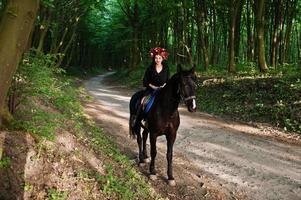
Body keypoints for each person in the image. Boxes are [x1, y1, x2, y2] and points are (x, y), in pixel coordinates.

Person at [132, 47, 170, 127]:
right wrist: (153, 87)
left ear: (163, 58)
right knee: (143, 102)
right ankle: (141, 118)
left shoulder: (166, 68)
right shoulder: (150, 68)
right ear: (154, 58)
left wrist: (164, 85)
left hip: (163, 90)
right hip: (151, 90)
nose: (158, 60)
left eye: (159, 58)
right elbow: (146, 81)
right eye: (156, 58)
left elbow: (168, 80)